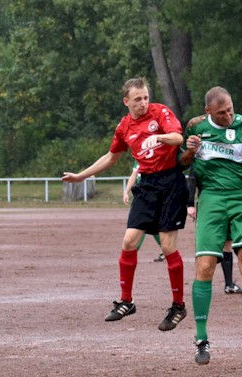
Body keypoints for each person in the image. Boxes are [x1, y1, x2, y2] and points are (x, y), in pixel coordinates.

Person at [62, 77, 188, 331]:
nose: (143, 103)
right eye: (137, 99)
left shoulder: (160, 111)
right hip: (147, 185)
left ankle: (178, 306)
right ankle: (126, 301)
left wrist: (161, 139)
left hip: (171, 183)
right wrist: (81, 176)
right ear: (126, 101)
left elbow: (177, 136)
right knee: (129, 241)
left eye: (145, 97)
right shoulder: (124, 126)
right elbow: (111, 157)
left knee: (166, 245)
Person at [180, 86, 242, 365]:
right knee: (205, 266)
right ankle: (201, 339)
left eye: (230, 108)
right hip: (212, 199)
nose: (228, 115)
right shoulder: (198, 132)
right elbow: (183, 165)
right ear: (208, 111)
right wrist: (190, 152)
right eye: (221, 112)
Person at [186, 170, 242, 294]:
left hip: (228, 202)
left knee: (227, 243)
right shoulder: (202, 154)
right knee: (206, 245)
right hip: (208, 205)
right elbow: (192, 178)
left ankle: (229, 285)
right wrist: (190, 203)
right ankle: (201, 284)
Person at [124, 162, 165, 262]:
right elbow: (134, 175)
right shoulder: (138, 157)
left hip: (154, 194)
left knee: (141, 225)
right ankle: (165, 249)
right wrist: (126, 192)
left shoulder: (154, 155)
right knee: (147, 225)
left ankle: (133, 249)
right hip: (141, 195)